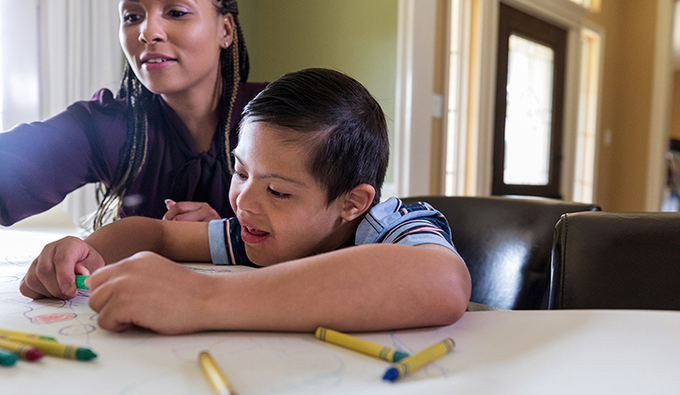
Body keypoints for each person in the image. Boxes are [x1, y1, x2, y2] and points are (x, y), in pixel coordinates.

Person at [20, 68, 471, 335]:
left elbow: (444, 283)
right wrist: (88, 251)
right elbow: (154, 233)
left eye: (278, 191)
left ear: (353, 203)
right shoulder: (259, 232)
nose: (244, 202)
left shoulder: (389, 226)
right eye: (239, 172)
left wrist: (202, 297)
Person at [0, 0, 267, 229]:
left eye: (176, 12)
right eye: (132, 17)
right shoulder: (108, 126)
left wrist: (226, 235)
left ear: (225, 29)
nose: (147, 33)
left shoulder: (284, 118)